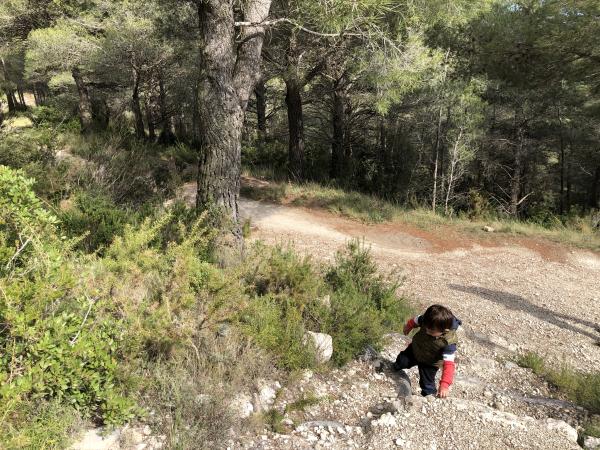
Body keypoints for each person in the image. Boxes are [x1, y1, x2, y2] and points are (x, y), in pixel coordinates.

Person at [392, 304, 461, 398]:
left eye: (431, 331)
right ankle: (392, 369)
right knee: (401, 361)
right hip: (414, 350)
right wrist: (408, 326)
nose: (427, 331)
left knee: (427, 384)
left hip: (430, 363)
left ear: (445, 330)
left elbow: (449, 365)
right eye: (426, 328)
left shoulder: (448, 342)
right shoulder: (428, 320)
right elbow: (415, 320)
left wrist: (444, 384)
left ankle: (429, 398)